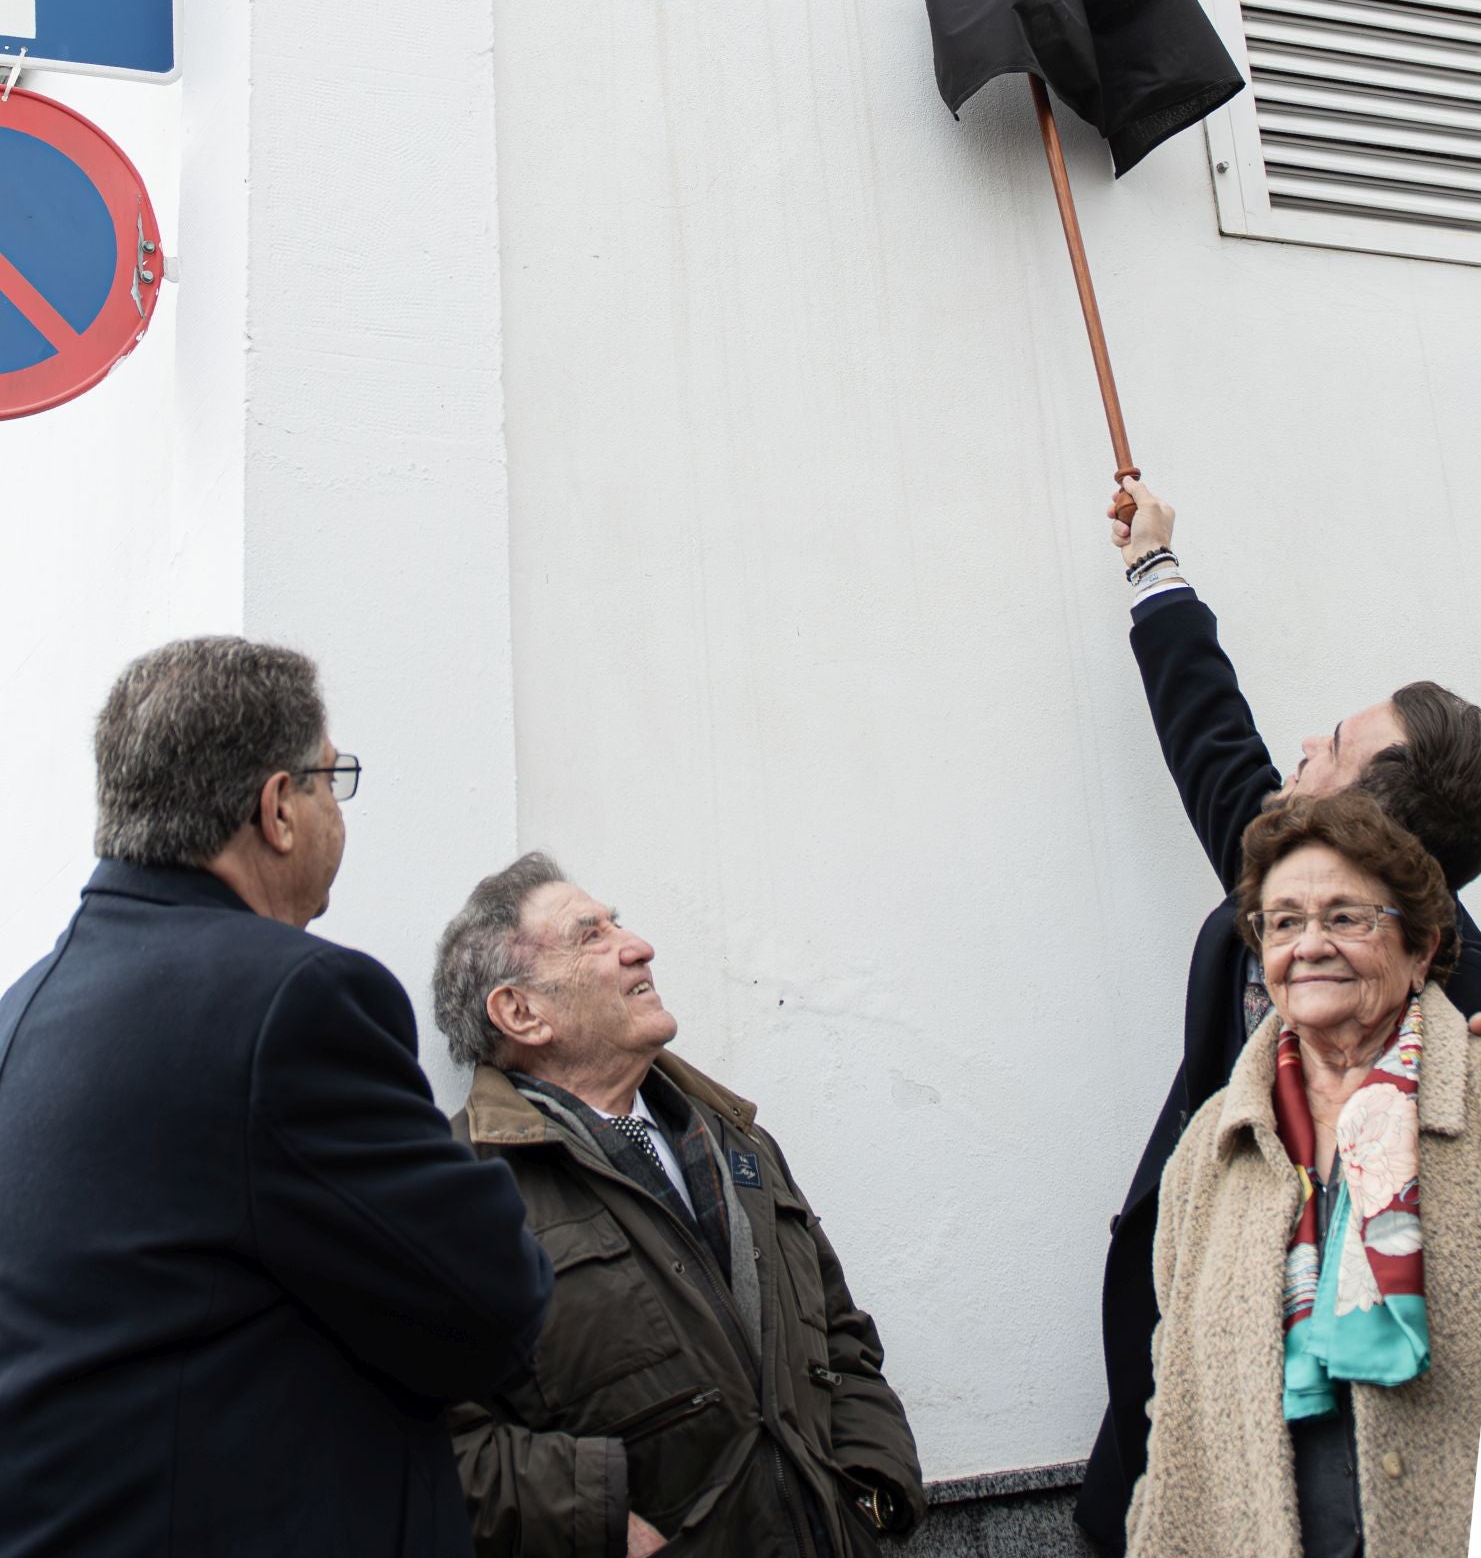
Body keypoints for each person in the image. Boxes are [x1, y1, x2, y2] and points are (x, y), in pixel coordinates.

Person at [0, 638, 553, 1558]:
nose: (338, 809)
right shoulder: (294, 1000)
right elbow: (490, 1307)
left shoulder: (20, 1013)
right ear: (278, 809)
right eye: (332, 779)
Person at [1077, 479, 1481, 1551]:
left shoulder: (1463, 1025)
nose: (1303, 946)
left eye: (1331, 744)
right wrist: (1153, 566)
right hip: (1200, 1415)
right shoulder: (1272, 895)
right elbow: (1211, 738)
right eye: (1284, 924)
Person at [432, 852, 925, 1557]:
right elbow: (439, 1435)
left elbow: (839, 1332)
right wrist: (604, 1525)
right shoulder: (460, 1190)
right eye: (590, 936)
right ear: (521, 1012)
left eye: (617, 924)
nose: (639, 947)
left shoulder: (737, 1142)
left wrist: (871, 1489)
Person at [1127, 790, 1481, 1558]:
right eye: (1283, 922)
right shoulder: (1212, 1148)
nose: (1310, 945)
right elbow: (1176, 1398)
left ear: (1420, 950)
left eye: (1346, 918)